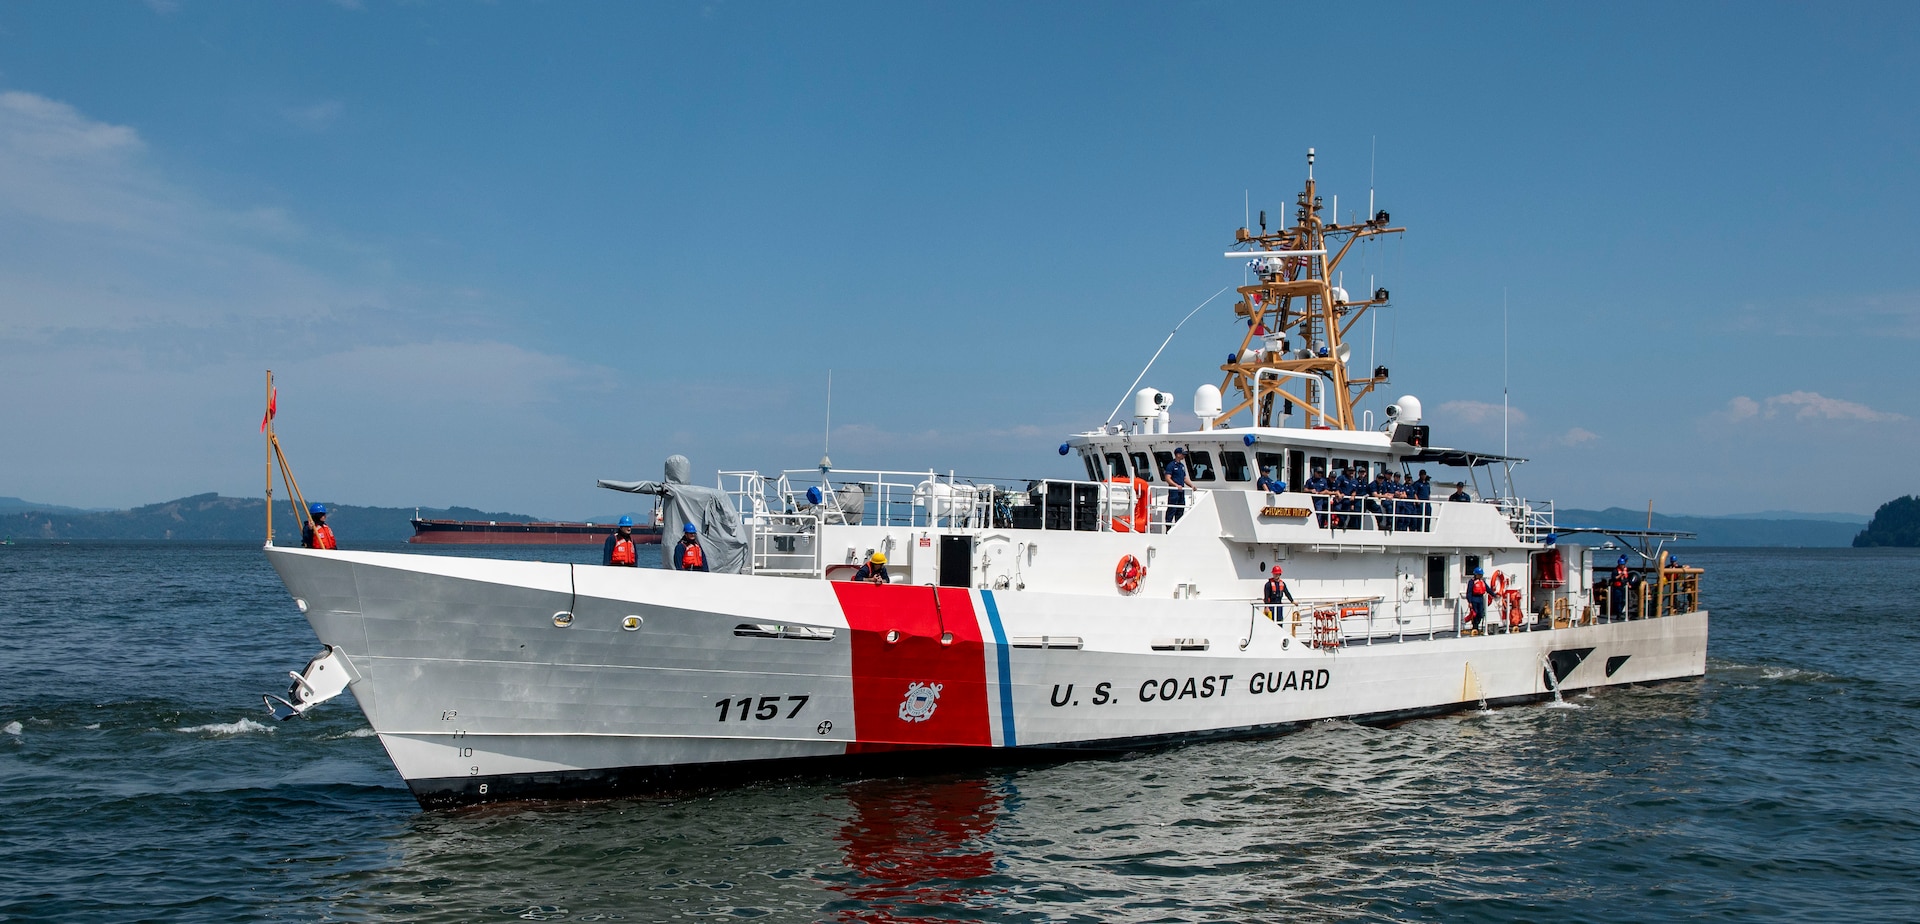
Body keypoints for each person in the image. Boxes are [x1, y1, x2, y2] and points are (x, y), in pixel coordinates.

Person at [1165, 447, 1191, 523]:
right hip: (1174, 492)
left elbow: (1184, 478)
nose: (1184, 456)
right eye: (1183, 454)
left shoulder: (1182, 466)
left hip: (1181, 491)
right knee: (1172, 509)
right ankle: (1168, 527)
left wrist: (1192, 486)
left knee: (1180, 509)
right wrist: (1176, 485)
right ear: (1178, 455)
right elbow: (1167, 478)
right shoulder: (1171, 465)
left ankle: (1177, 525)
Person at [1464, 567, 1491, 634]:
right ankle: (1475, 627)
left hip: (1480, 599)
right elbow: (1469, 592)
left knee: (1480, 613)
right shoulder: (1472, 582)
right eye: (1479, 574)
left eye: (1481, 574)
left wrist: (1494, 595)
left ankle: (1478, 626)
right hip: (1474, 599)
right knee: (1474, 613)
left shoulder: (1482, 581)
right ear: (1476, 574)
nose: (1481, 576)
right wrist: (1469, 601)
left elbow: (1488, 589)